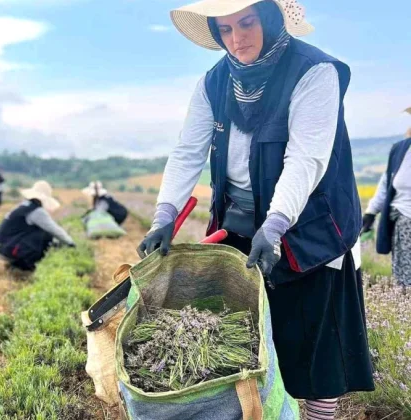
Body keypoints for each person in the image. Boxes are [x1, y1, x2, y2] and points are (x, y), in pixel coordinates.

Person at [138, 0, 373, 416]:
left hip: (309, 231)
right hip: (244, 230)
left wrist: (277, 223)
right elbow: (187, 151)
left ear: (269, 18)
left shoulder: (314, 71)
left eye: (246, 23)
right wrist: (164, 215)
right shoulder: (214, 82)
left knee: (315, 359)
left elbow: (306, 158)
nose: (237, 38)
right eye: (225, 29)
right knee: (254, 346)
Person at [362, 109, 411, 285]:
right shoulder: (401, 149)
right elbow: (386, 183)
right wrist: (371, 212)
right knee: (404, 278)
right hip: (401, 222)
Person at [0, 180, 75, 271]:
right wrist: (70, 243)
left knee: (39, 232)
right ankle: (23, 265)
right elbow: (54, 229)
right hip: (8, 250)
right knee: (44, 234)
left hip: (1, 247)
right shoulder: (36, 211)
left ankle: (17, 263)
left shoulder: (24, 206)